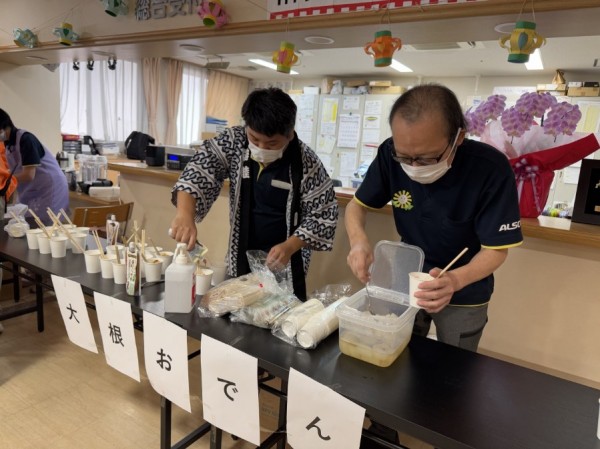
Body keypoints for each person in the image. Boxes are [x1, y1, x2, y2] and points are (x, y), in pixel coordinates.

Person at [346, 84, 523, 446]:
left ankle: (445, 433)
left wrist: (454, 281)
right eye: (405, 157)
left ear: (459, 136)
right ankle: (384, 431)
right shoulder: (389, 154)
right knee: (392, 356)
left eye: (426, 158)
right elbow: (356, 206)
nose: (413, 167)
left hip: (465, 287)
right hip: (403, 277)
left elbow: (496, 250)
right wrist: (358, 242)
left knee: (454, 373)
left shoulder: (490, 169)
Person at [170, 87, 338, 300]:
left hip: (285, 264)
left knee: (278, 313)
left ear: (290, 134)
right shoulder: (235, 141)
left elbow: (324, 214)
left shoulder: (307, 162)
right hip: (239, 255)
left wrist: (290, 246)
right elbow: (199, 167)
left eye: (272, 143)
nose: (261, 147)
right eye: (254, 139)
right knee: (235, 308)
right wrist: (184, 214)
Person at [0, 109, 69, 224]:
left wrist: (6, 181)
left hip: (49, 187)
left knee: (48, 226)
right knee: (30, 224)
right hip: (32, 190)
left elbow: (29, 175)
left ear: (4, 127)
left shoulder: (26, 139)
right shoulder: (8, 144)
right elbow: (14, 171)